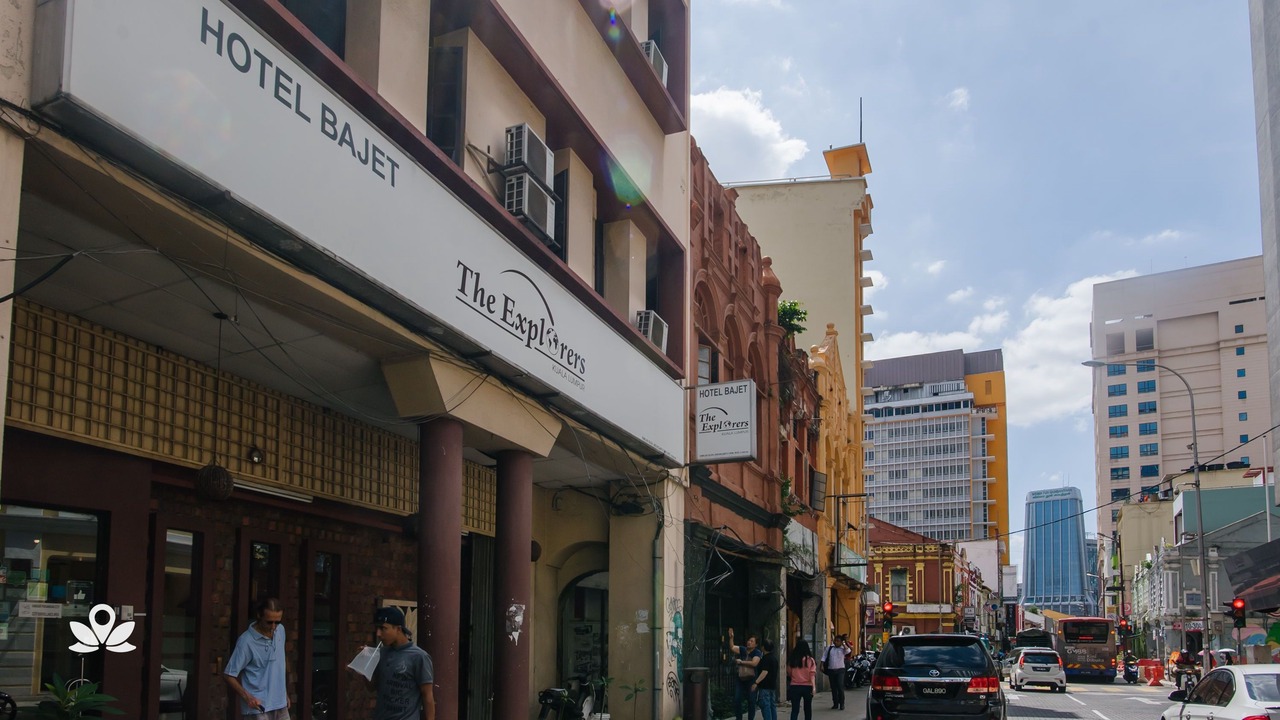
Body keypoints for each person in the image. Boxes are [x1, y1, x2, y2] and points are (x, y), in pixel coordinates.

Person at [224, 597, 291, 719]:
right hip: (258, 707)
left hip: (280, 705)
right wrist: (247, 697)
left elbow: (278, 665)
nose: (273, 626)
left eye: (277, 622)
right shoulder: (246, 641)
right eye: (269, 622)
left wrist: (284, 694)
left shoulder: (281, 631)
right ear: (259, 615)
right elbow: (229, 674)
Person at [371, 607, 435, 720]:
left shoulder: (419, 657)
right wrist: (362, 667)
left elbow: (427, 695)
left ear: (398, 629)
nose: (378, 634)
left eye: (383, 628)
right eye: (377, 628)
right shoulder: (382, 653)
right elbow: (372, 687)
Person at [728, 628, 763, 720]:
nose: (749, 642)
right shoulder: (743, 649)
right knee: (737, 699)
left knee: (751, 700)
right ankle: (738, 718)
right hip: (740, 678)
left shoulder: (757, 652)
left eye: (752, 641)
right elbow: (732, 647)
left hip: (751, 679)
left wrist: (741, 662)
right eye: (749, 640)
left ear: (756, 644)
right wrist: (731, 638)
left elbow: (754, 663)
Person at [786, 639, 817, 720]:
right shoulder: (810, 660)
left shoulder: (792, 659)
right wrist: (814, 687)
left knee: (795, 709)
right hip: (807, 686)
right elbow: (812, 674)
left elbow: (789, 672)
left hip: (795, 686)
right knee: (807, 708)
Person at [820, 634, 851, 710]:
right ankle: (835, 703)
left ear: (841, 642)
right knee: (833, 688)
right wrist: (822, 665)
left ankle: (842, 703)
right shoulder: (830, 648)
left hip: (840, 670)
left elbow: (848, 651)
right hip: (831, 670)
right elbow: (824, 656)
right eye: (835, 641)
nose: (836, 642)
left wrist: (843, 644)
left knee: (840, 686)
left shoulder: (843, 649)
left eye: (838, 641)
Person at [753, 638, 779, 720]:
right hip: (772, 686)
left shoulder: (765, 659)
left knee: (766, 706)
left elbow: (764, 672)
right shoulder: (774, 658)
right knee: (772, 706)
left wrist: (756, 682)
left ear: (763, 647)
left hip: (765, 686)